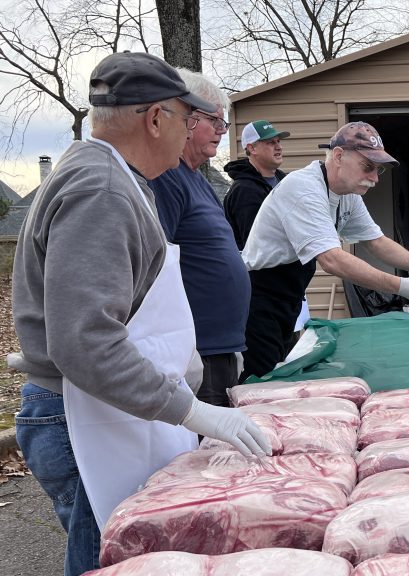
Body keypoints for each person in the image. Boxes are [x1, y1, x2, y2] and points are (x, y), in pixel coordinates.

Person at [9, 52, 269, 576]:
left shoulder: (115, 177)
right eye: (188, 118)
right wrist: (192, 411)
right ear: (155, 119)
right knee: (111, 561)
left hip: (107, 407)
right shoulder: (101, 190)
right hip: (82, 414)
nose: (191, 131)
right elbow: (85, 342)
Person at [239, 121, 409, 381]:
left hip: (289, 294)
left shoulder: (347, 194)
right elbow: (332, 260)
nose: (375, 178)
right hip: (257, 295)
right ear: (339, 156)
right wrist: (402, 286)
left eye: (378, 170)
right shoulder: (303, 189)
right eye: (368, 167)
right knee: (260, 381)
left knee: (281, 373)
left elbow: (375, 241)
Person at [148, 70, 250, 407]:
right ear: (186, 118)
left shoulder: (197, 179)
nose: (222, 131)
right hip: (195, 353)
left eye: (224, 123)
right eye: (215, 121)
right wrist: (186, 351)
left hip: (218, 348)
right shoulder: (166, 178)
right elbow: (156, 266)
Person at [223, 120, 291, 250]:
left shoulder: (284, 180)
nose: (279, 147)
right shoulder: (244, 191)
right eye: (271, 142)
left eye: (278, 141)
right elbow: (256, 246)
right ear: (252, 148)